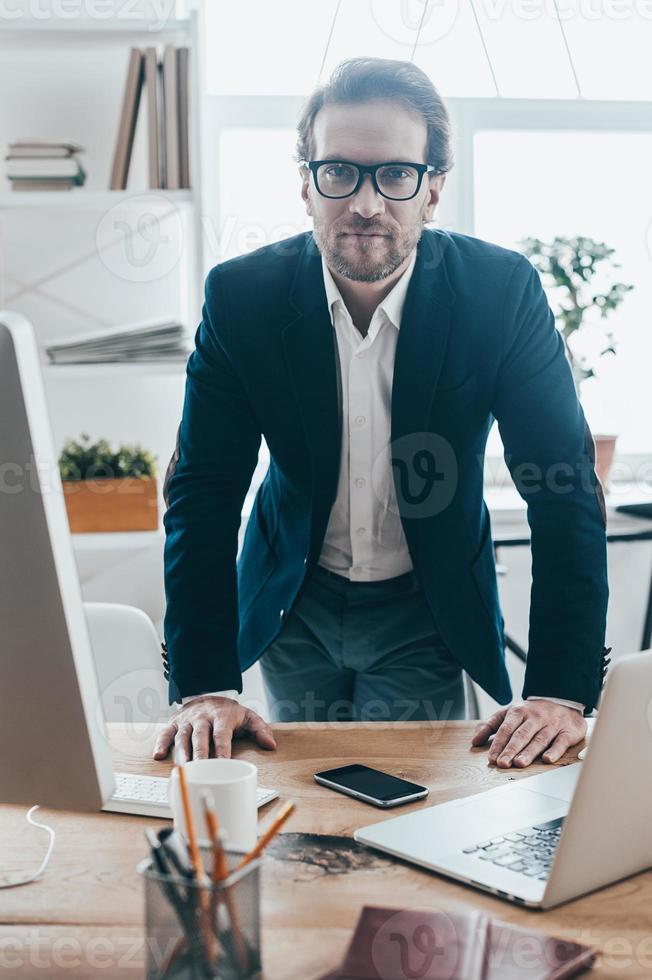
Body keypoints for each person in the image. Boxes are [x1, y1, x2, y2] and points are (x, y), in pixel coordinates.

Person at [153, 58, 609, 769]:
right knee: (307, 807)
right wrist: (204, 683)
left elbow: (563, 488)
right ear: (306, 183)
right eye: (340, 172)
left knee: (409, 817)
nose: (367, 204)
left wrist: (559, 690)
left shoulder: (500, 294)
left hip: (424, 606)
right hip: (290, 599)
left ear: (432, 191)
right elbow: (203, 492)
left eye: (396, 175)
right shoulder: (243, 298)